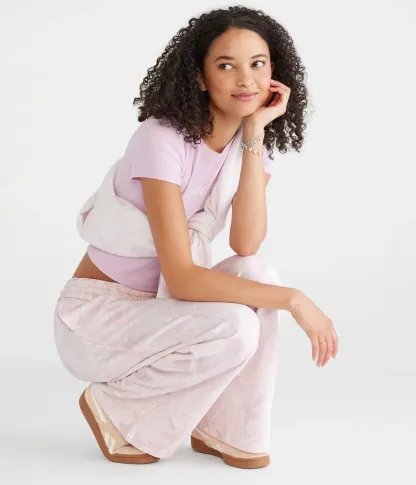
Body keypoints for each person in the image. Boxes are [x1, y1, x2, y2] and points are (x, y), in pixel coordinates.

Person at [53, 5, 339, 469]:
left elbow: (246, 244)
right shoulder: (160, 139)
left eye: (258, 64)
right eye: (226, 65)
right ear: (201, 78)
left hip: (163, 314)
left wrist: (254, 133)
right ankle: (116, 410)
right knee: (237, 324)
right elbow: (183, 278)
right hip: (98, 321)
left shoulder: (251, 145)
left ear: (274, 73)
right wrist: (294, 299)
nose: (246, 79)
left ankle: (227, 430)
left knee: (257, 272)